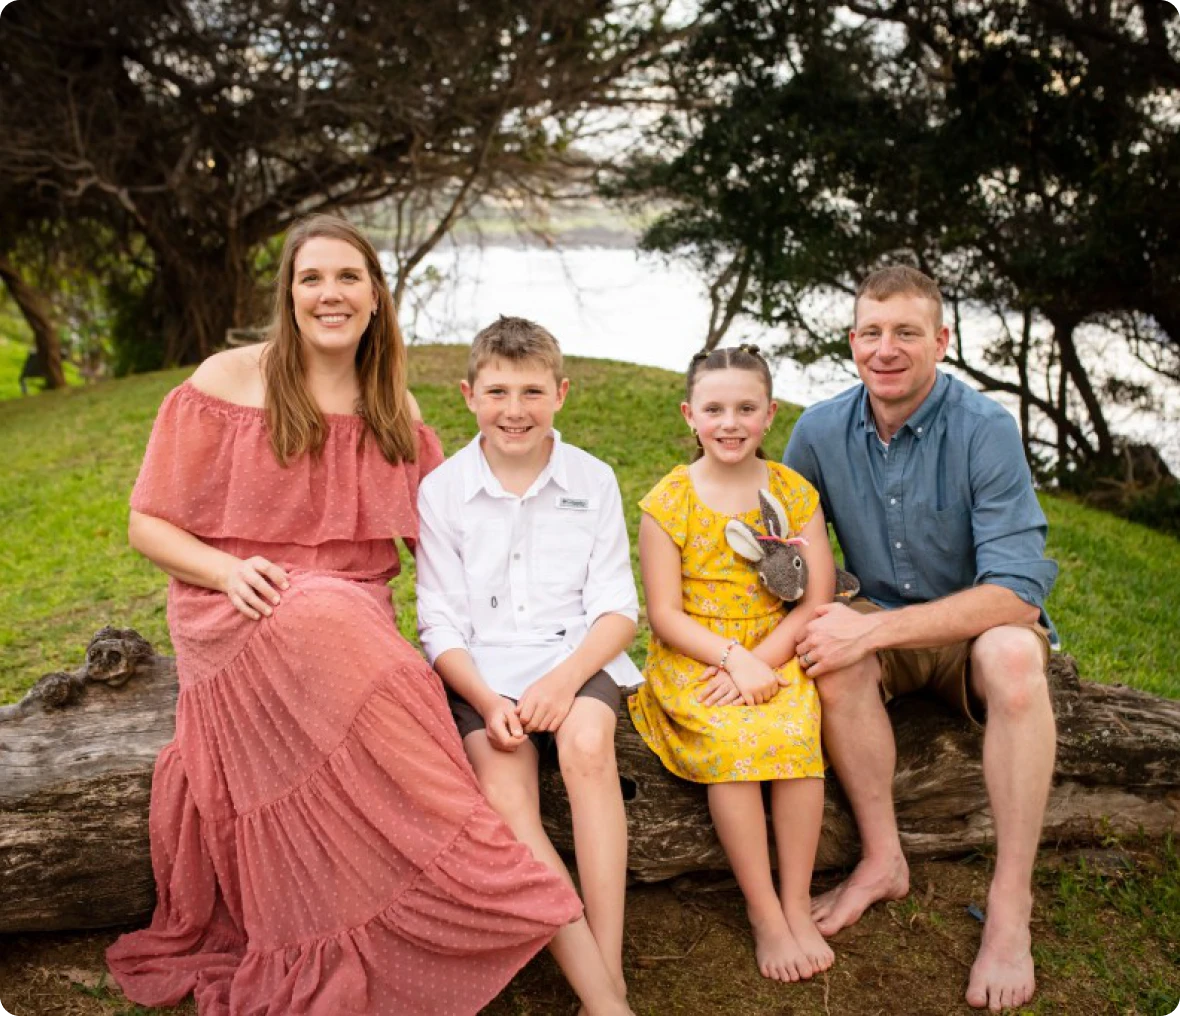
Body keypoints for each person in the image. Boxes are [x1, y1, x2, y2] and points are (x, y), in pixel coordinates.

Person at [106, 216, 582, 1016]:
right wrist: (226, 568)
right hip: (234, 609)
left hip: (348, 612)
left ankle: (461, 891)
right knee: (328, 615)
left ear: (374, 295)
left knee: (378, 667)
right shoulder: (229, 379)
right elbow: (145, 524)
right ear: (289, 295)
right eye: (311, 278)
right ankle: (481, 880)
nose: (330, 293)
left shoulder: (388, 400)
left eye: (347, 278)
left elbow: (456, 523)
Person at [785, 265, 1058, 1012]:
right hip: (881, 623)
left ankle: (1009, 904)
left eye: (907, 332)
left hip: (976, 627)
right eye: (871, 332)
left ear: (941, 339)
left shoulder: (986, 430)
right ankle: (882, 859)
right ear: (852, 342)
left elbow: (1017, 594)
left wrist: (870, 628)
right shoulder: (817, 430)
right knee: (830, 658)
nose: (887, 348)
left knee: (1011, 659)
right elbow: (795, 554)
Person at [415, 316, 640, 1016]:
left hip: (577, 658)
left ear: (562, 394)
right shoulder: (442, 490)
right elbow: (439, 623)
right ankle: (599, 995)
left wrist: (563, 681)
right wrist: (486, 700)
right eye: (498, 392)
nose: (516, 410)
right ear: (468, 395)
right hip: (482, 674)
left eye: (533, 392)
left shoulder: (592, 479)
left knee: (586, 747)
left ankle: (609, 965)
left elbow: (618, 610)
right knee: (508, 797)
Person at [628, 344, 835, 983]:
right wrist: (730, 658)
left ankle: (797, 902)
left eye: (746, 408)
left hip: (776, 650)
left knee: (798, 737)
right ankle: (764, 911)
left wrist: (762, 662)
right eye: (714, 408)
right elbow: (662, 613)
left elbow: (818, 596)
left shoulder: (795, 495)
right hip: (699, 657)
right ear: (690, 415)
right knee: (733, 744)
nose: (730, 422)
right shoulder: (668, 504)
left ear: (769, 414)